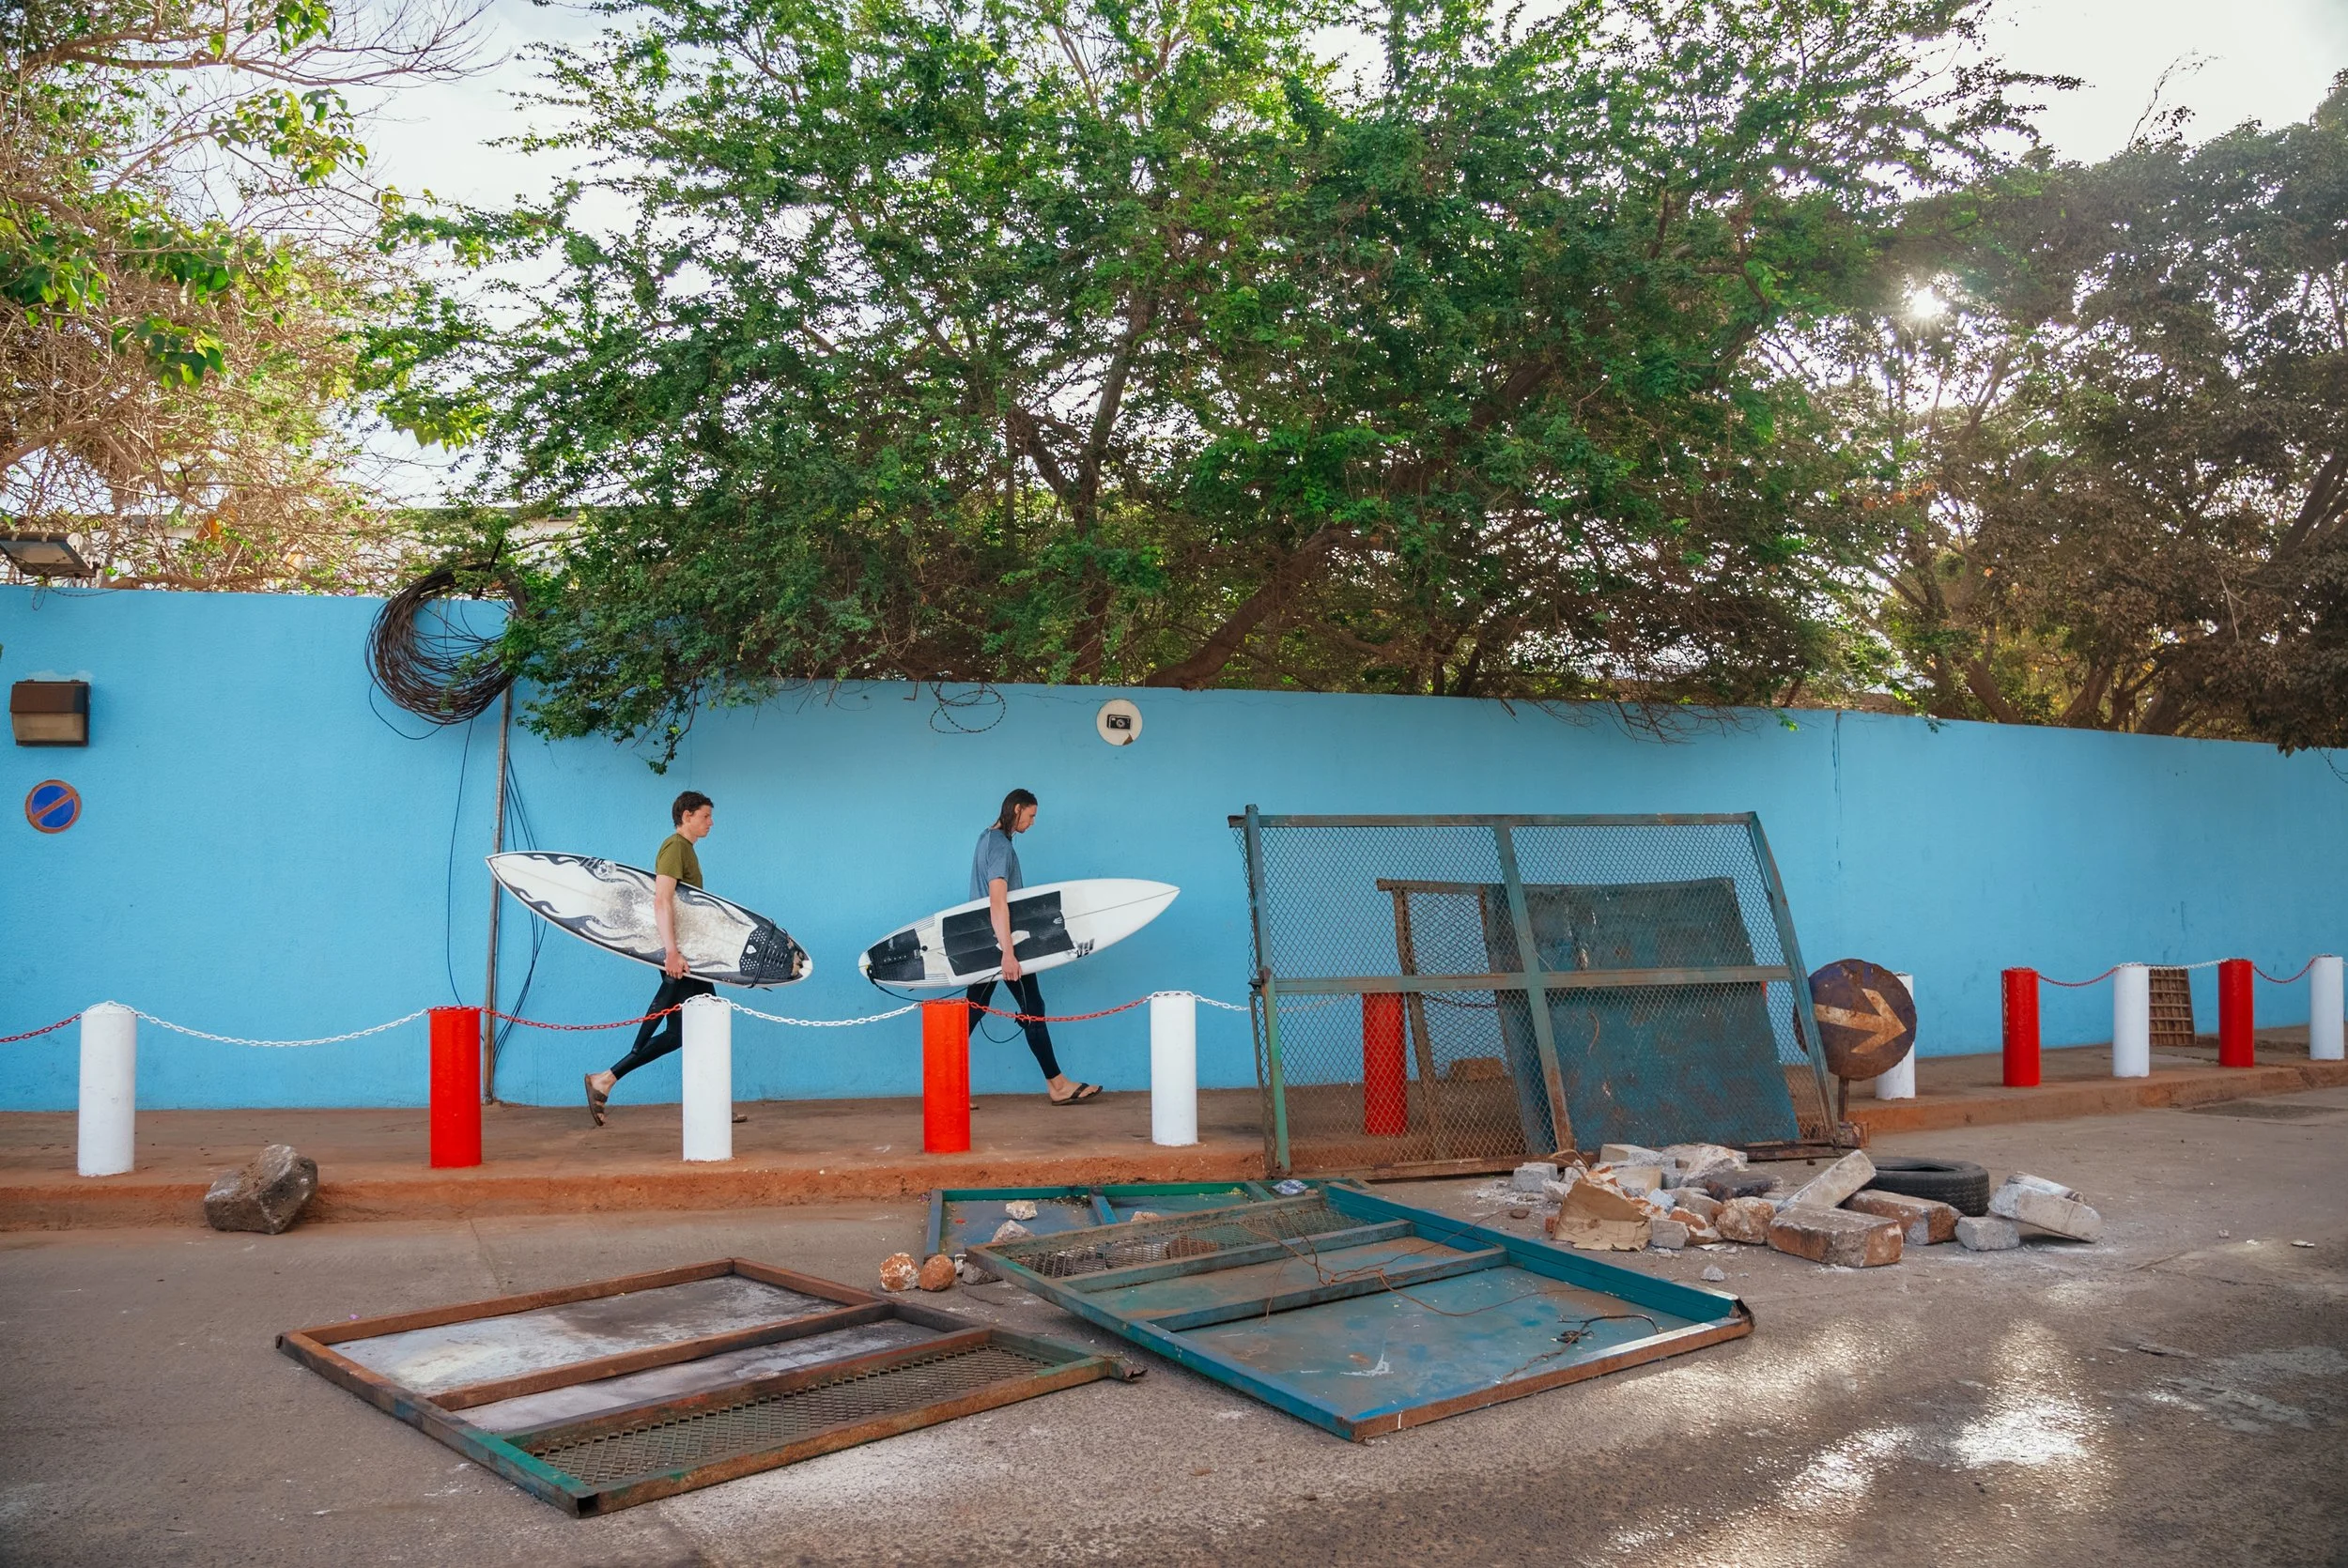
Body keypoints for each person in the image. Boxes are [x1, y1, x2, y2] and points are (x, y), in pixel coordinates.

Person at [585, 791, 716, 1125]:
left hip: (687, 955)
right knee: (703, 1024)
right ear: (687, 816)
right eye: (705, 816)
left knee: (683, 1032)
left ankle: (606, 1080)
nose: (710, 823)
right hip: (680, 957)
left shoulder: (687, 850)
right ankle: (606, 1080)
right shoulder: (674, 848)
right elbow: (662, 900)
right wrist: (671, 952)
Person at [966, 789, 1100, 1104]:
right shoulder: (999, 845)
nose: (1033, 822)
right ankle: (1057, 1085)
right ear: (1017, 809)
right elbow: (998, 901)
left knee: (975, 1012)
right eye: (1031, 815)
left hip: (988, 941)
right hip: (1005, 942)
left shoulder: (987, 839)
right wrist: (1008, 954)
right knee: (1032, 1009)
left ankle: (945, 1085)